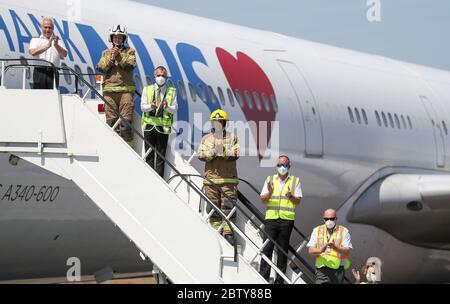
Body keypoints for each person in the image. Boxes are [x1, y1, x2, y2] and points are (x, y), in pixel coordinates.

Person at [198, 110, 240, 245]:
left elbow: (236, 153)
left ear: (224, 123)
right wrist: (213, 152)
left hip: (228, 180)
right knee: (213, 208)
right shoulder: (206, 138)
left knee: (228, 207)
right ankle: (216, 234)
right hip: (211, 180)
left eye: (220, 122)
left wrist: (222, 151)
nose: (218, 124)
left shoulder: (232, 138)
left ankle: (228, 234)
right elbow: (201, 154)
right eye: (215, 122)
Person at [259, 155, 302, 284]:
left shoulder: (295, 181)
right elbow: (263, 199)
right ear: (276, 166)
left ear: (289, 166)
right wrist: (270, 192)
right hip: (271, 219)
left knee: (282, 251)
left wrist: (290, 196)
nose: (282, 168)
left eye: (284, 165)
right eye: (279, 165)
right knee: (267, 249)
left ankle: (279, 281)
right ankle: (263, 277)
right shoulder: (270, 179)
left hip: (286, 220)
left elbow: (298, 201)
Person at [96, 24, 136, 147]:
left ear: (124, 39)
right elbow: (101, 68)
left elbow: (130, 65)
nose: (117, 39)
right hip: (109, 91)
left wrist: (119, 57)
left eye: (119, 37)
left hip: (125, 91)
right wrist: (111, 59)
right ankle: (112, 148)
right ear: (111, 38)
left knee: (126, 123)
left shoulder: (130, 52)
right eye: (115, 37)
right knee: (111, 122)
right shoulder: (106, 53)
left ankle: (129, 149)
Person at [141, 66, 178, 178]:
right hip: (149, 126)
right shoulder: (147, 89)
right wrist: (150, 106)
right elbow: (142, 107)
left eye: (163, 76)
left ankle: (159, 180)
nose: (160, 78)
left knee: (161, 157)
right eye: (158, 75)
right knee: (149, 155)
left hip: (163, 128)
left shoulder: (172, 91)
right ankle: (149, 179)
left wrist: (167, 107)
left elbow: (174, 109)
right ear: (154, 76)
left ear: (166, 77)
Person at [307, 209, 352, 284]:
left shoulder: (344, 231)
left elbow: (347, 251)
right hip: (322, 269)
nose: (329, 221)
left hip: (338, 269)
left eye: (332, 218)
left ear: (336, 219)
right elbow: (310, 250)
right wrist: (321, 250)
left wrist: (336, 248)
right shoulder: (317, 230)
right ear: (323, 219)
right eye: (326, 219)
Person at [28, 17, 67, 89]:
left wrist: (56, 45)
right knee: (39, 95)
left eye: (50, 28)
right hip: (40, 72)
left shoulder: (57, 40)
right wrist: (47, 46)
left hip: (53, 72)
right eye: (45, 27)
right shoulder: (36, 39)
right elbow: (32, 52)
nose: (47, 30)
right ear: (41, 28)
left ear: (53, 29)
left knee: (53, 96)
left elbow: (65, 54)